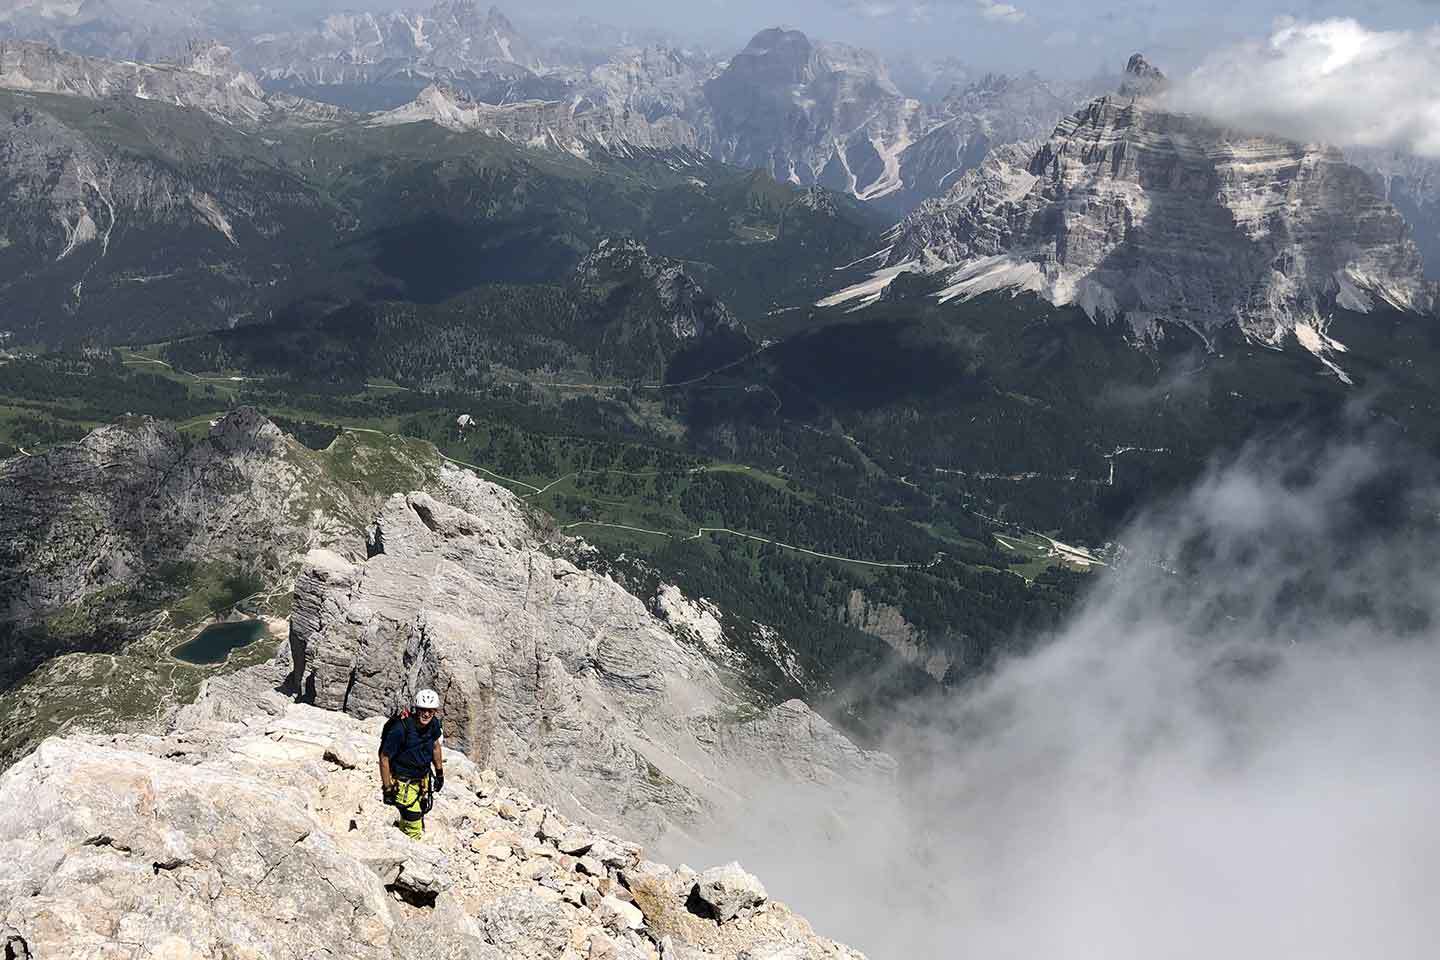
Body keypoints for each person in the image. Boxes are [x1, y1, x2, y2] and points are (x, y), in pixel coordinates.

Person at [379, 688, 446, 839]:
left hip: (422, 780)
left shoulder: (433, 725)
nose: (426, 714)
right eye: (423, 710)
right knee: (414, 823)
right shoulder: (400, 729)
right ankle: (411, 848)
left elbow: (435, 747)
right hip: (403, 783)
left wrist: (439, 773)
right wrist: (387, 788)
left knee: (419, 811)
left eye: (430, 711)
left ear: (435, 711)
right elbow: (384, 757)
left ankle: (402, 836)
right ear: (417, 709)